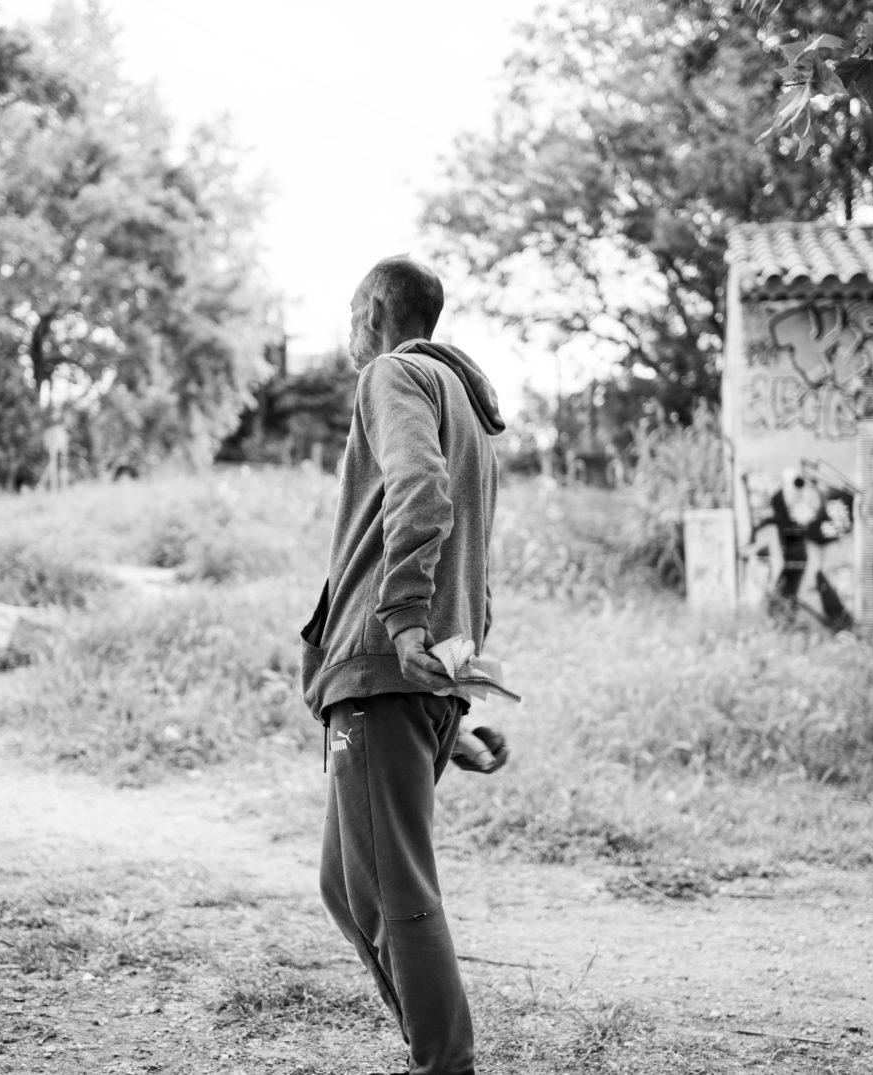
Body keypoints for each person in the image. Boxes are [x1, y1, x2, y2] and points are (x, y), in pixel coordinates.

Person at [300, 256, 508, 1075]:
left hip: (386, 668)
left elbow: (421, 490)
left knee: (392, 891)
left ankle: (443, 1063)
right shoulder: (465, 405)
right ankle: (434, 1047)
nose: (351, 335)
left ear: (376, 314)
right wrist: (451, 706)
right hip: (413, 681)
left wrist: (402, 620)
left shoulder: (393, 374)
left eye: (353, 317)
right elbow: (474, 565)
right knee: (345, 883)